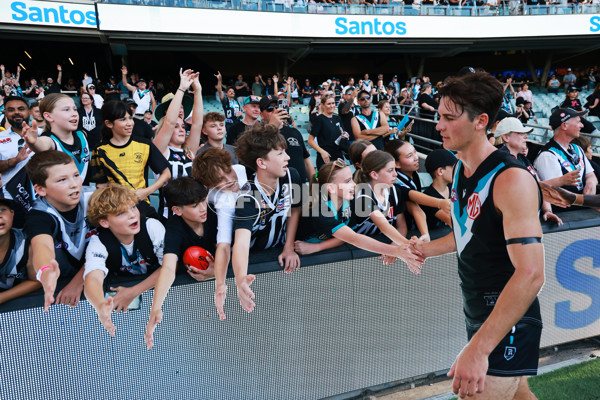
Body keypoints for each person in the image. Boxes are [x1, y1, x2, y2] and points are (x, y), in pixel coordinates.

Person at [412, 71, 545, 400]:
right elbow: (468, 234)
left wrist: (478, 349)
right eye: (438, 116)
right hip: (480, 310)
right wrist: (423, 250)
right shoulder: (459, 168)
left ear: (481, 121)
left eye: (448, 118)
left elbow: (531, 274)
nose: (438, 125)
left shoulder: (511, 179)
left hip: (507, 316)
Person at [293, 159, 424, 270]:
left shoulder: (354, 201)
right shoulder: (320, 211)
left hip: (314, 249)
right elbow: (354, 238)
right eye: (347, 181)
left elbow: (384, 225)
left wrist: (406, 244)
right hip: (294, 250)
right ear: (331, 188)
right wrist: (396, 251)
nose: (354, 184)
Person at [231, 123, 302, 313]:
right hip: (254, 260)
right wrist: (240, 279)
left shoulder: (291, 176)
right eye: (280, 154)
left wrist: (289, 247)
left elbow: (294, 210)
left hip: (278, 254)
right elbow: (241, 243)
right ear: (261, 163)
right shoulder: (247, 198)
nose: (287, 157)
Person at [83, 183, 165, 337]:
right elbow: (92, 277)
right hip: (124, 316)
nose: (133, 215)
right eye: (121, 213)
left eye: (133, 207)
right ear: (104, 222)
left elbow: (169, 268)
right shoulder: (99, 242)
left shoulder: (153, 227)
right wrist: (100, 305)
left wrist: (134, 291)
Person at [145, 177, 217, 349]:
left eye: (203, 200)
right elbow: (169, 267)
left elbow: (236, 249)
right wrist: (156, 308)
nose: (202, 208)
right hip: (189, 299)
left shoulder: (215, 214)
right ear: (177, 210)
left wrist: (219, 270)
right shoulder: (174, 229)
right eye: (194, 205)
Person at [24, 151, 96, 312]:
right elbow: (42, 247)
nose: (74, 184)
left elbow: (113, 240)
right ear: (41, 189)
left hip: (99, 278)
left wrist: (80, 280)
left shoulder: (95, 197)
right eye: (62, 180)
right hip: (60, 290)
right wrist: (46, 272)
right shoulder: (39, 215)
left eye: (76, 175)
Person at [89, 101, 171, 218]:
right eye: (123, 120)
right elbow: (100, 186)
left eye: (130, 118)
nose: (130, 123)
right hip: (115, 209)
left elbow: (166, 173)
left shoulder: (144, 144)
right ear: (109, 123)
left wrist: (146, 191)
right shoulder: (99, 150)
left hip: (142, 207)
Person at [192, 148, 247, 320]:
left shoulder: (242, 170)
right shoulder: (221, 200)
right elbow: (224, 244)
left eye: (228, 171)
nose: (230, 180)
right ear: (209, 186)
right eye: (220, 180)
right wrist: (220, 281)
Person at [153, 69, 202, 220]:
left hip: (194, 216)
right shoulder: (161, 149)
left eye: (183, 127)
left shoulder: (189, 150)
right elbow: (169, 122)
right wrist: (181, 88)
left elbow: (197, 124)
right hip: (170, 218)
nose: (181, 129)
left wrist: (198, 90)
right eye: (176, 127)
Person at [533, 108, 597, 202]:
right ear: (565, 125)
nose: (582, 125)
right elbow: (555, 193)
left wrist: (590, 184)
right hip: (566, 213)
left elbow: (590, 174)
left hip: (582, 209)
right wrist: (586, 201)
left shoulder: (577, 148)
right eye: (579, 122)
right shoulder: (548, 155)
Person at [24, 93, 91, 182]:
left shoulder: (82, 134)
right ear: (48, 116)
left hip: (83, 192)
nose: (74, 114)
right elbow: (42, 145)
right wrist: (33, 143)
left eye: (75, 109)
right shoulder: (50, 140)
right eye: (66, 109)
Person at [260, 94, 315, 183]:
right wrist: (272, 127)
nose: (275, 110)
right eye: (270, 108)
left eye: (277, 107)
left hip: (300, 189)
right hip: (275, 191)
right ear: (261, 115)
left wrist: (314, 186)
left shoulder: (294, 132)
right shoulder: (257, 135)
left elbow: (306, 161)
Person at [0, 96, 34, 224]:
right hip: (13, 198)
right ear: (5, 113)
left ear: (28, 112)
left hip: (43, 197)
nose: (16, 112)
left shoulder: (43, 135)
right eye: (11, 109)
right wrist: (14, 161)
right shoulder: (0, 137)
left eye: (21, 109)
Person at [0, 196, 39, 305]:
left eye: (2, 210)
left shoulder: (27, 242)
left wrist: (2, 297)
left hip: (25, 303)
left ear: (12, 214)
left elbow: (36, 281)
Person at [308, 93, 347, 169]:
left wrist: (345, 136)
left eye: (333, 103)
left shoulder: (337, 118)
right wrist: (322, 152)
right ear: (322, 105)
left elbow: (342, 134)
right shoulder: (319, 119)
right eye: (329, 104)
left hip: (338, 156)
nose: (332, 106)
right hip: (325, 158)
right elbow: (310, 140)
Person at [420, 149, 456, 231]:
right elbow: (450, 219)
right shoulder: (428, 197)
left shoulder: (453, 188)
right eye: (454, 168)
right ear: (440, 171)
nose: (457, 171)